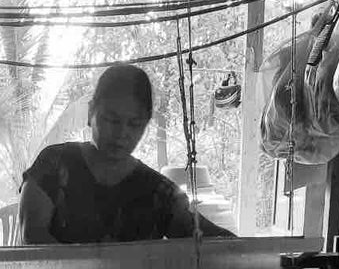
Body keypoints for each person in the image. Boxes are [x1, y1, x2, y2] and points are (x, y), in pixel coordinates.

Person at [18, 63, 234, 245]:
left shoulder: (158, 193)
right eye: (112, 120)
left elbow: (212, 242)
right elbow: (33, 239)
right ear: (91, 111)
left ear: (146, 124)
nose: (122, 134)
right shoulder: (53, 166)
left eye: (134, 124)